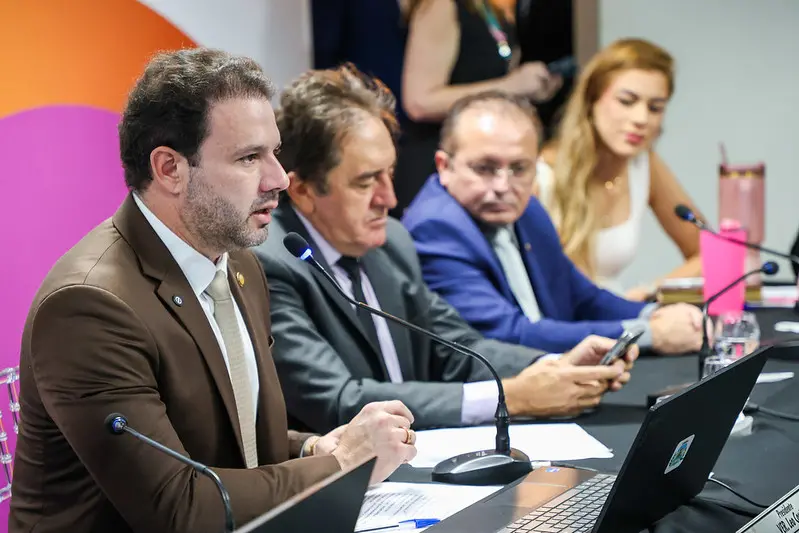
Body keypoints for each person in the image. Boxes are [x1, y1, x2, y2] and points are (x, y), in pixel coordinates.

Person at [10, 49, 417, 533]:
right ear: (169, 169)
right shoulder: (89, 306)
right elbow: (179, 507)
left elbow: (231, 441)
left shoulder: (239, 262)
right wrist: (343, 463)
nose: (279, 178)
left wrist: (314, 447)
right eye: (249, 158)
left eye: (274, 152)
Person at [252, 64, 635, 435]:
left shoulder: (391, 242)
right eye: (366, 182)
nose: (389, 198)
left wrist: (555, 364)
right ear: (302, 191)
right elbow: (339, 400)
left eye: (390, 173)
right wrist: (511, 397)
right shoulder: (270, 265)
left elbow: (459, 348)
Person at [402, 91, 704, 354]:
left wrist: (653, 314)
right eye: (485, 168)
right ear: (445, 166)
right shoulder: (436, 228)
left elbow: (580, 295)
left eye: (519, 168)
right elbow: (510, 334)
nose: (504, 185)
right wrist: (649, 334)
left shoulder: (527, 209)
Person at [535, 38, 705, 301]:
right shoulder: (542, 176)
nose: (641, 119)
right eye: (627, 101)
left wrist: (650, 291)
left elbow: (709, 252)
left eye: (655, 108)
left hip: (618, 321)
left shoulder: (643, 164)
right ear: (591, 101)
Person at [392, 0, 561, 218]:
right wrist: (511, 86)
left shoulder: (490, 9)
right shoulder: (441, 6)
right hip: (441, 167)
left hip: (484, 166)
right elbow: (419, 101)